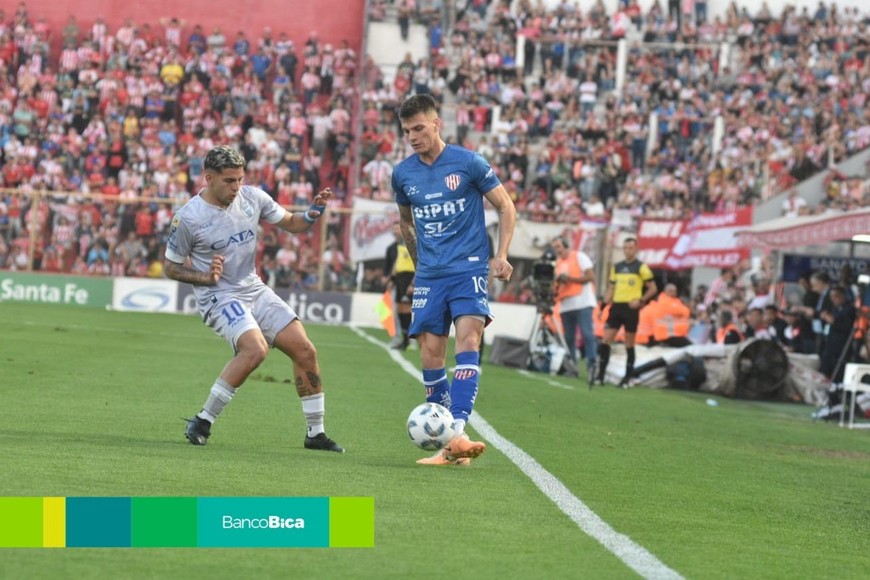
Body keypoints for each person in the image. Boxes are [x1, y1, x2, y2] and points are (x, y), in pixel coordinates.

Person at [164, 145, 343, 452]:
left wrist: (312, 213)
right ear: (209, 178)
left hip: (254, 289)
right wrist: (205, 277)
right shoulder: (188, 219)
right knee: (255, 349)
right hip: (219, 296)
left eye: (240, 179)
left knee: (305, 350)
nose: (236, 187)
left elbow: (292, 222)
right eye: (229, 180)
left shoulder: (253, 198)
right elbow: (171, 267)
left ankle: (315, 434)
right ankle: (202, 421)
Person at [391, 94, 516, 466]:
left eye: (418, 128)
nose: (412, 137)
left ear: (436, 123)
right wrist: (420, 265)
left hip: (469, 268)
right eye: (406, 131)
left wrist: (502, 254)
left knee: (468, 340)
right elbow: (406, 223)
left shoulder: (469, 162)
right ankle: (456, 443)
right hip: (431, 275)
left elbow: (505, 206)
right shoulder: (403, 174)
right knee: (430, 354)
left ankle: (456, 430)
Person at [594, 237, 657, 387]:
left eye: (630, 248)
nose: (628, 251)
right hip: (616, 307)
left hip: (630, 310)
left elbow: (653, 288)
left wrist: (640, 301)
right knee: (606, 341)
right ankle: (600, 376)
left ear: (636, 249)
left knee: (629, 344)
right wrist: (603, 306)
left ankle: (626, 379)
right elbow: (611, 288)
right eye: (625, 248)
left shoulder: (641, 267)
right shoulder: (617, 267)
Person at [550, 236, 597, 382]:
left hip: (583, 302)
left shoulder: (580, 256)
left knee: (587, 334)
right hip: (566, 305)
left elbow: (591, 277)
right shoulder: (557, 263)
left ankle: (592, 367)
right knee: (568, 339)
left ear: (566, 246)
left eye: (558, 246)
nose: (557, 250)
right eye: (554, 247)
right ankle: (572, 368)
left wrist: (569, 279)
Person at [383, 221, 415, 349]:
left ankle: (411, 339)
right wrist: (391, 279)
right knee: (399, 311)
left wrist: (413, 283)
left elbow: (417, 263)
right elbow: (397, 264)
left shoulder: (414, 244)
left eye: (399, 228)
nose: (396, 231)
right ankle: (404, 339)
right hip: (399, 280)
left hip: (409, 279)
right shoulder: (398, 246)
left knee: (409, 310)